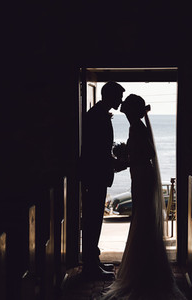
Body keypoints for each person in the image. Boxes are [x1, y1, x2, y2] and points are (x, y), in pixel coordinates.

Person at [102, 94, 187, 299]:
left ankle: (143, 272)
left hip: (142, 177)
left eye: (125, 109)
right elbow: (141, 154)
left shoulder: (137, 127)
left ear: (130, 111)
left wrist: (125, 159)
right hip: (139, 175)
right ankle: (145, 267)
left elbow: (147, 153)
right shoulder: (137, 126)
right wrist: (126, 159)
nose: (123, 111)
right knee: (142, 220)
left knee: (143, 220)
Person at [81, 81, 126, 281]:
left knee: (95, 219)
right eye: (119, 97)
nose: (121, 100)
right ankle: (90, 267)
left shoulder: (98, 113)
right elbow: (96, 151)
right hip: (94, 176)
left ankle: (93, 260)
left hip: (96, 175)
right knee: (92, 221)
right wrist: (116, 163)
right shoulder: (97, 116)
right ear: (109, 96)